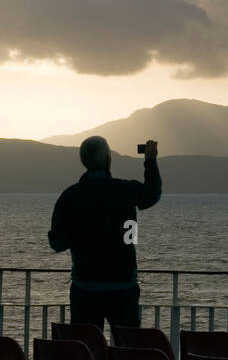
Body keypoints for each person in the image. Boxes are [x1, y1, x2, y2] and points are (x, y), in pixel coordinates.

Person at [48, 136, 161, 332]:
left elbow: (56, 243)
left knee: (86, 349)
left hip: (85, 288)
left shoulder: (70, 196)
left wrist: (79, 234)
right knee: (128, 349)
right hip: (123, 286)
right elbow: (152, 194)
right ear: (108, 159)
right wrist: (150, 160)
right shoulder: (124, 190)